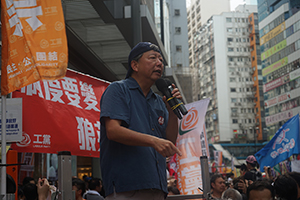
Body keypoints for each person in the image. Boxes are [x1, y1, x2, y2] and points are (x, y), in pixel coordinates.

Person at [100, 42, 182, 199]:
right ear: (134, 65)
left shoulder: (158, 101)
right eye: (152, 58)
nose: (159, 63)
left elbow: (169, 141)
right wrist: (153, 141)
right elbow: (113, 131)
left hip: (157, 187)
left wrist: (172, 113)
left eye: (161, 60)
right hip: (128, 186)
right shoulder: (118, 90)